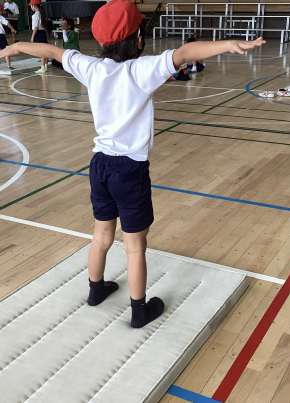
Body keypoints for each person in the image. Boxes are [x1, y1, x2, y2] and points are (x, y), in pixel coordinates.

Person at [0, 0, 265, 328]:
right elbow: (185, 53)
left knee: (101, 234)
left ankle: (96, 290)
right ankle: (139, 311)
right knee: (135, 244)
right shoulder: (141, 70)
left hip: (99, 165)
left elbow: (50, 50)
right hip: (130, 170)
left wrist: (14, 48)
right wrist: (229, 44)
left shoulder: (91, 67)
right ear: (138, 38)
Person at [29, 0, 48, 74]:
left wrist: (32, 37)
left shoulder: (35, 15)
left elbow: (35, 27)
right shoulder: (41, 13)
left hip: (38, 33)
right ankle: (45, 66)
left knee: (41, 51)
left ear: (34, 5)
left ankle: (42, 67)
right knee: (45, 50)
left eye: (31, 5)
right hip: (43, 33)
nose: (31, 7)